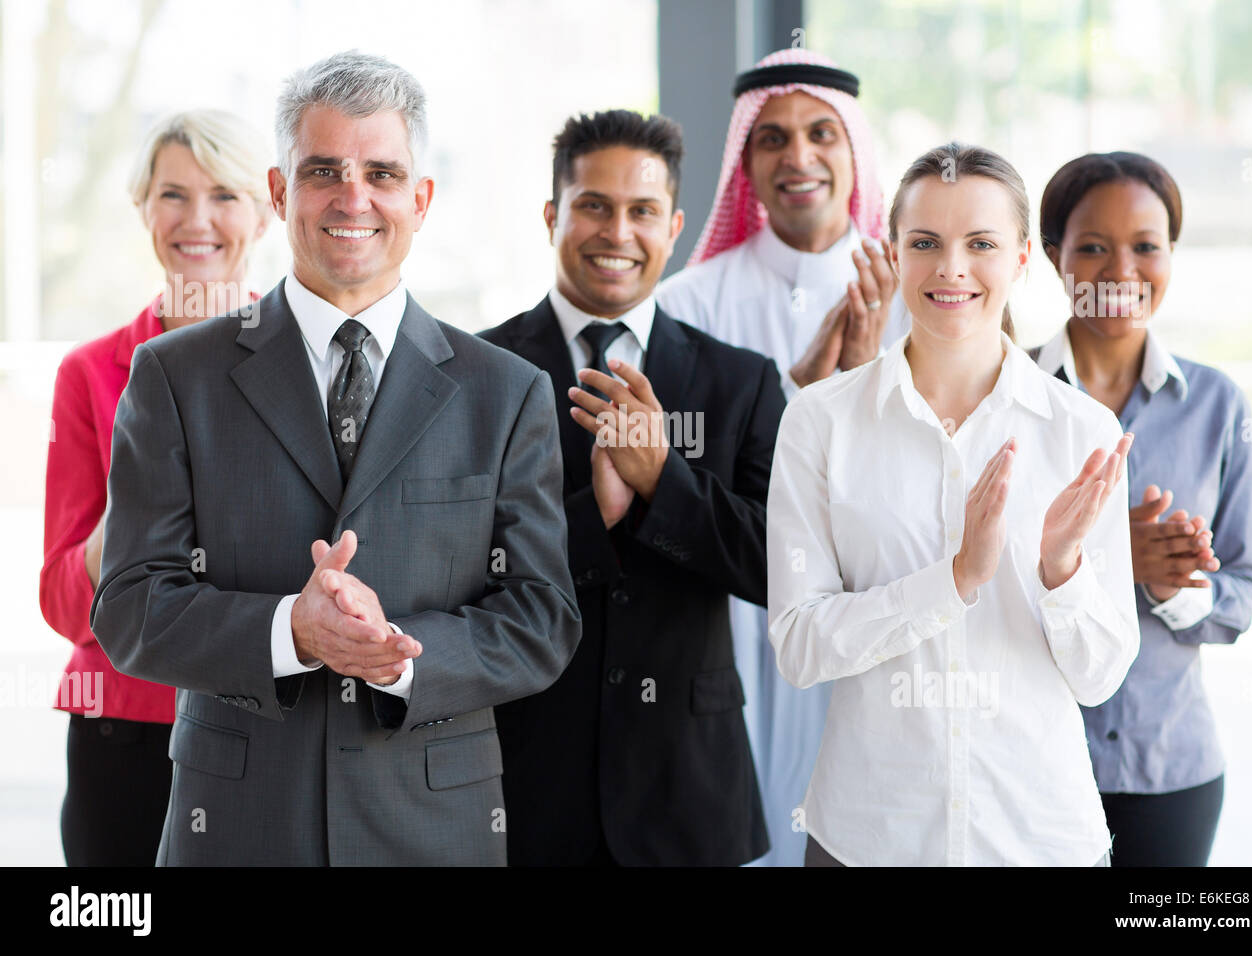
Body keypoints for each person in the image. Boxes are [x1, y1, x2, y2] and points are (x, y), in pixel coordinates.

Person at [90, 51, 580, 866]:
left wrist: (398, 657)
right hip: (240, 828)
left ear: (421, 200)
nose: (354, 198)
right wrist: (292, 630)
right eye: (324, 171)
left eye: (382, 173)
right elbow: (131, 606)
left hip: (433, 832)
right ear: (281, 193)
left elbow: (542, 618)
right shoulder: (176, 377)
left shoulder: (506, 391)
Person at [766, 142, 1141, 866]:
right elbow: (800, 646)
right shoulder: (819, 422)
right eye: (925, 243)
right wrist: (954, 580)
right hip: (869, 840)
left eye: (982, 244)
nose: (951, 268)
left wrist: (1062, 568)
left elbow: (1099, 679)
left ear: (1023, 257)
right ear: (893, 253)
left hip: (1040, 841)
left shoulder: (1083, 432)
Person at [481, 110, 784, 866]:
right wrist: (596, 519)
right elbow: (457, 568)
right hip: (524, 786)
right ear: (552, 216)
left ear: (673, 227)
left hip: (690, 793)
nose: (618, 232)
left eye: (642, 210)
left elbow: (780, 564)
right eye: (594, 205)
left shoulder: (741, 381)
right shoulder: (477, 373)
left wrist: (662, 483)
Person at [655, 47, 909, 867]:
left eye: (820, 134)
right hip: (729, 615)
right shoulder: (686, 303)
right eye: (772, 138)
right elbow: (671, 477)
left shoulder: (917, 296)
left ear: (853, 151)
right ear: (746, 163)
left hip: (867, 606)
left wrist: (862, 391)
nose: (799, 156)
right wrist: (796, 398)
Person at [40, 109, 271, 866]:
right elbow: (64, 604)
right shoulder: (89, 375)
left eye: (225, 195)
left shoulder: (306, 367)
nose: (196, 220)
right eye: (173, 194)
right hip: (124, 736)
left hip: (264, 727)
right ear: (143, 208)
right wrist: (139, 494)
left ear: (266, 211)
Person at [1032, 152, 1252, 866]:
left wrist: (1172, 588)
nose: (1120, 271)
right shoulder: (1007, 398)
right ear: (1053, 255)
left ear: (1171, 254)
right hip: (1031, 768)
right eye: (1092, 248)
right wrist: (1102, 559)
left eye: (1145, 246)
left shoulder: (1217, 405)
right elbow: (964, 584)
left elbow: (1242, 593)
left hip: (1172, 774)